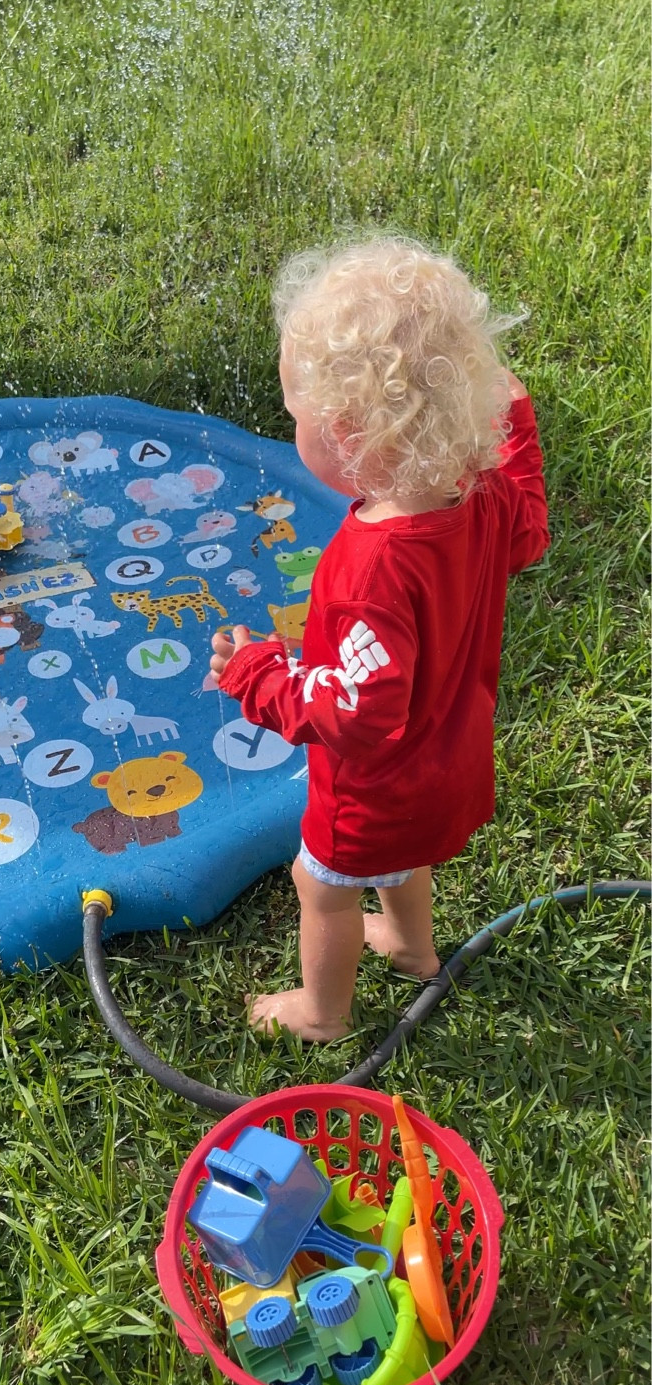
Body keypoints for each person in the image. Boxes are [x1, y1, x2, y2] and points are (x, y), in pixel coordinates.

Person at [210, 236, 549, 1042]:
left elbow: (355, 712)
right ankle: (408, 945)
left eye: (295, 415)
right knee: (404, 856)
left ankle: (320, 1013)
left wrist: (258, 674)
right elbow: (529, 523)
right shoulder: (482, 496)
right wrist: (516, 416)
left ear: (350, 436)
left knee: (320, 882)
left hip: (374, 785)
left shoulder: (372, 566)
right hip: (448, 756)